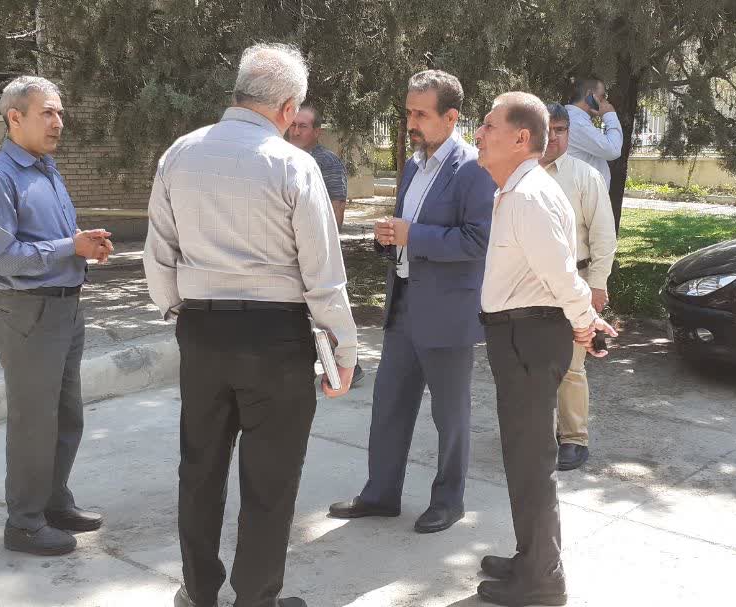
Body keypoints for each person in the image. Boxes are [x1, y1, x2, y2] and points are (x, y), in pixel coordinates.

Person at [144, 43, 356, 607]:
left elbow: (158, 255)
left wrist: (179, 314)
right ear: (288, 108)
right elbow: (323, 274)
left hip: (203, 332)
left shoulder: (179, 154)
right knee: (270, 479)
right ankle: (256, 597)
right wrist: (343, 351)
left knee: (200, 469)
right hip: (275, 339)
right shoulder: (294, 165)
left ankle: (199, 592)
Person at [326, 70, 496, 535]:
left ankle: (448, 501)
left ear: (451, 117)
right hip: (403, 307)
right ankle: (381, 495)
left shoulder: (473, 169)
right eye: (408, 113)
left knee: (449, 416)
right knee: (388, 407)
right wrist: (388, 238)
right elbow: (407, 233)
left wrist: (412, 235)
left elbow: (478, 241)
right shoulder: (413, 166)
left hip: (448, 314)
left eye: (421, 114)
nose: (411, 123)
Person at [472, 91, 618, 606]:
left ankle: (542, 581)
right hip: (521, 334)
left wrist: (586, 322)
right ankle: (531, 558)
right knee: (522, 458)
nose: (479, 134)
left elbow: (560, 273)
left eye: (488, 126)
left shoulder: (529, 195)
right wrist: (582, 319)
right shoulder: (519, 189)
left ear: (520, 138)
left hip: (528, 337)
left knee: (531, 462)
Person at [0, 75, 114, 557]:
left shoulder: (47, 170)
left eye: (60, 113)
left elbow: (57, 238)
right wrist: (69, 247)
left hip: (66, 308)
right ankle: (25, 523)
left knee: (67, 416)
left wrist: (85, 244)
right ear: (15, 117)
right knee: (34, 421)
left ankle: (53, 502)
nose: (58, 122)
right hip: (29, 313)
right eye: (47, 112)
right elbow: (3, 257)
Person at [542, 103, 617, 471]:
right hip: (529, 286)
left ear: (568, 133)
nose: (554, 138)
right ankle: (541, 432)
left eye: (561, 130)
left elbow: (604, 235)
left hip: (576, 283)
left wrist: (598, 285)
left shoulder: (585, 176)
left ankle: (574, 438)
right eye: (548, 130)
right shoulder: (518, 176)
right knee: (536, 364)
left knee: (571, 365)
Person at [286, 103, 365, 388]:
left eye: (303, 126)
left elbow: (337, 206)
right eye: (293, 125)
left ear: (317, 132)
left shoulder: (326, 162)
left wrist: (327, 245)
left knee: (327, 312)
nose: (295, 131)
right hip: (291, 253)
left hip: (317, 251)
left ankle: (349, 366)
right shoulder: (283, 158)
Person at [563, 78, 623, 192]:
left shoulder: (574, 119)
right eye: (602, 96)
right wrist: (610, 115)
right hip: (583, 196)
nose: (605, 101)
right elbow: (613, 150)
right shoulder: (577, 122)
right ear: (590, 95)